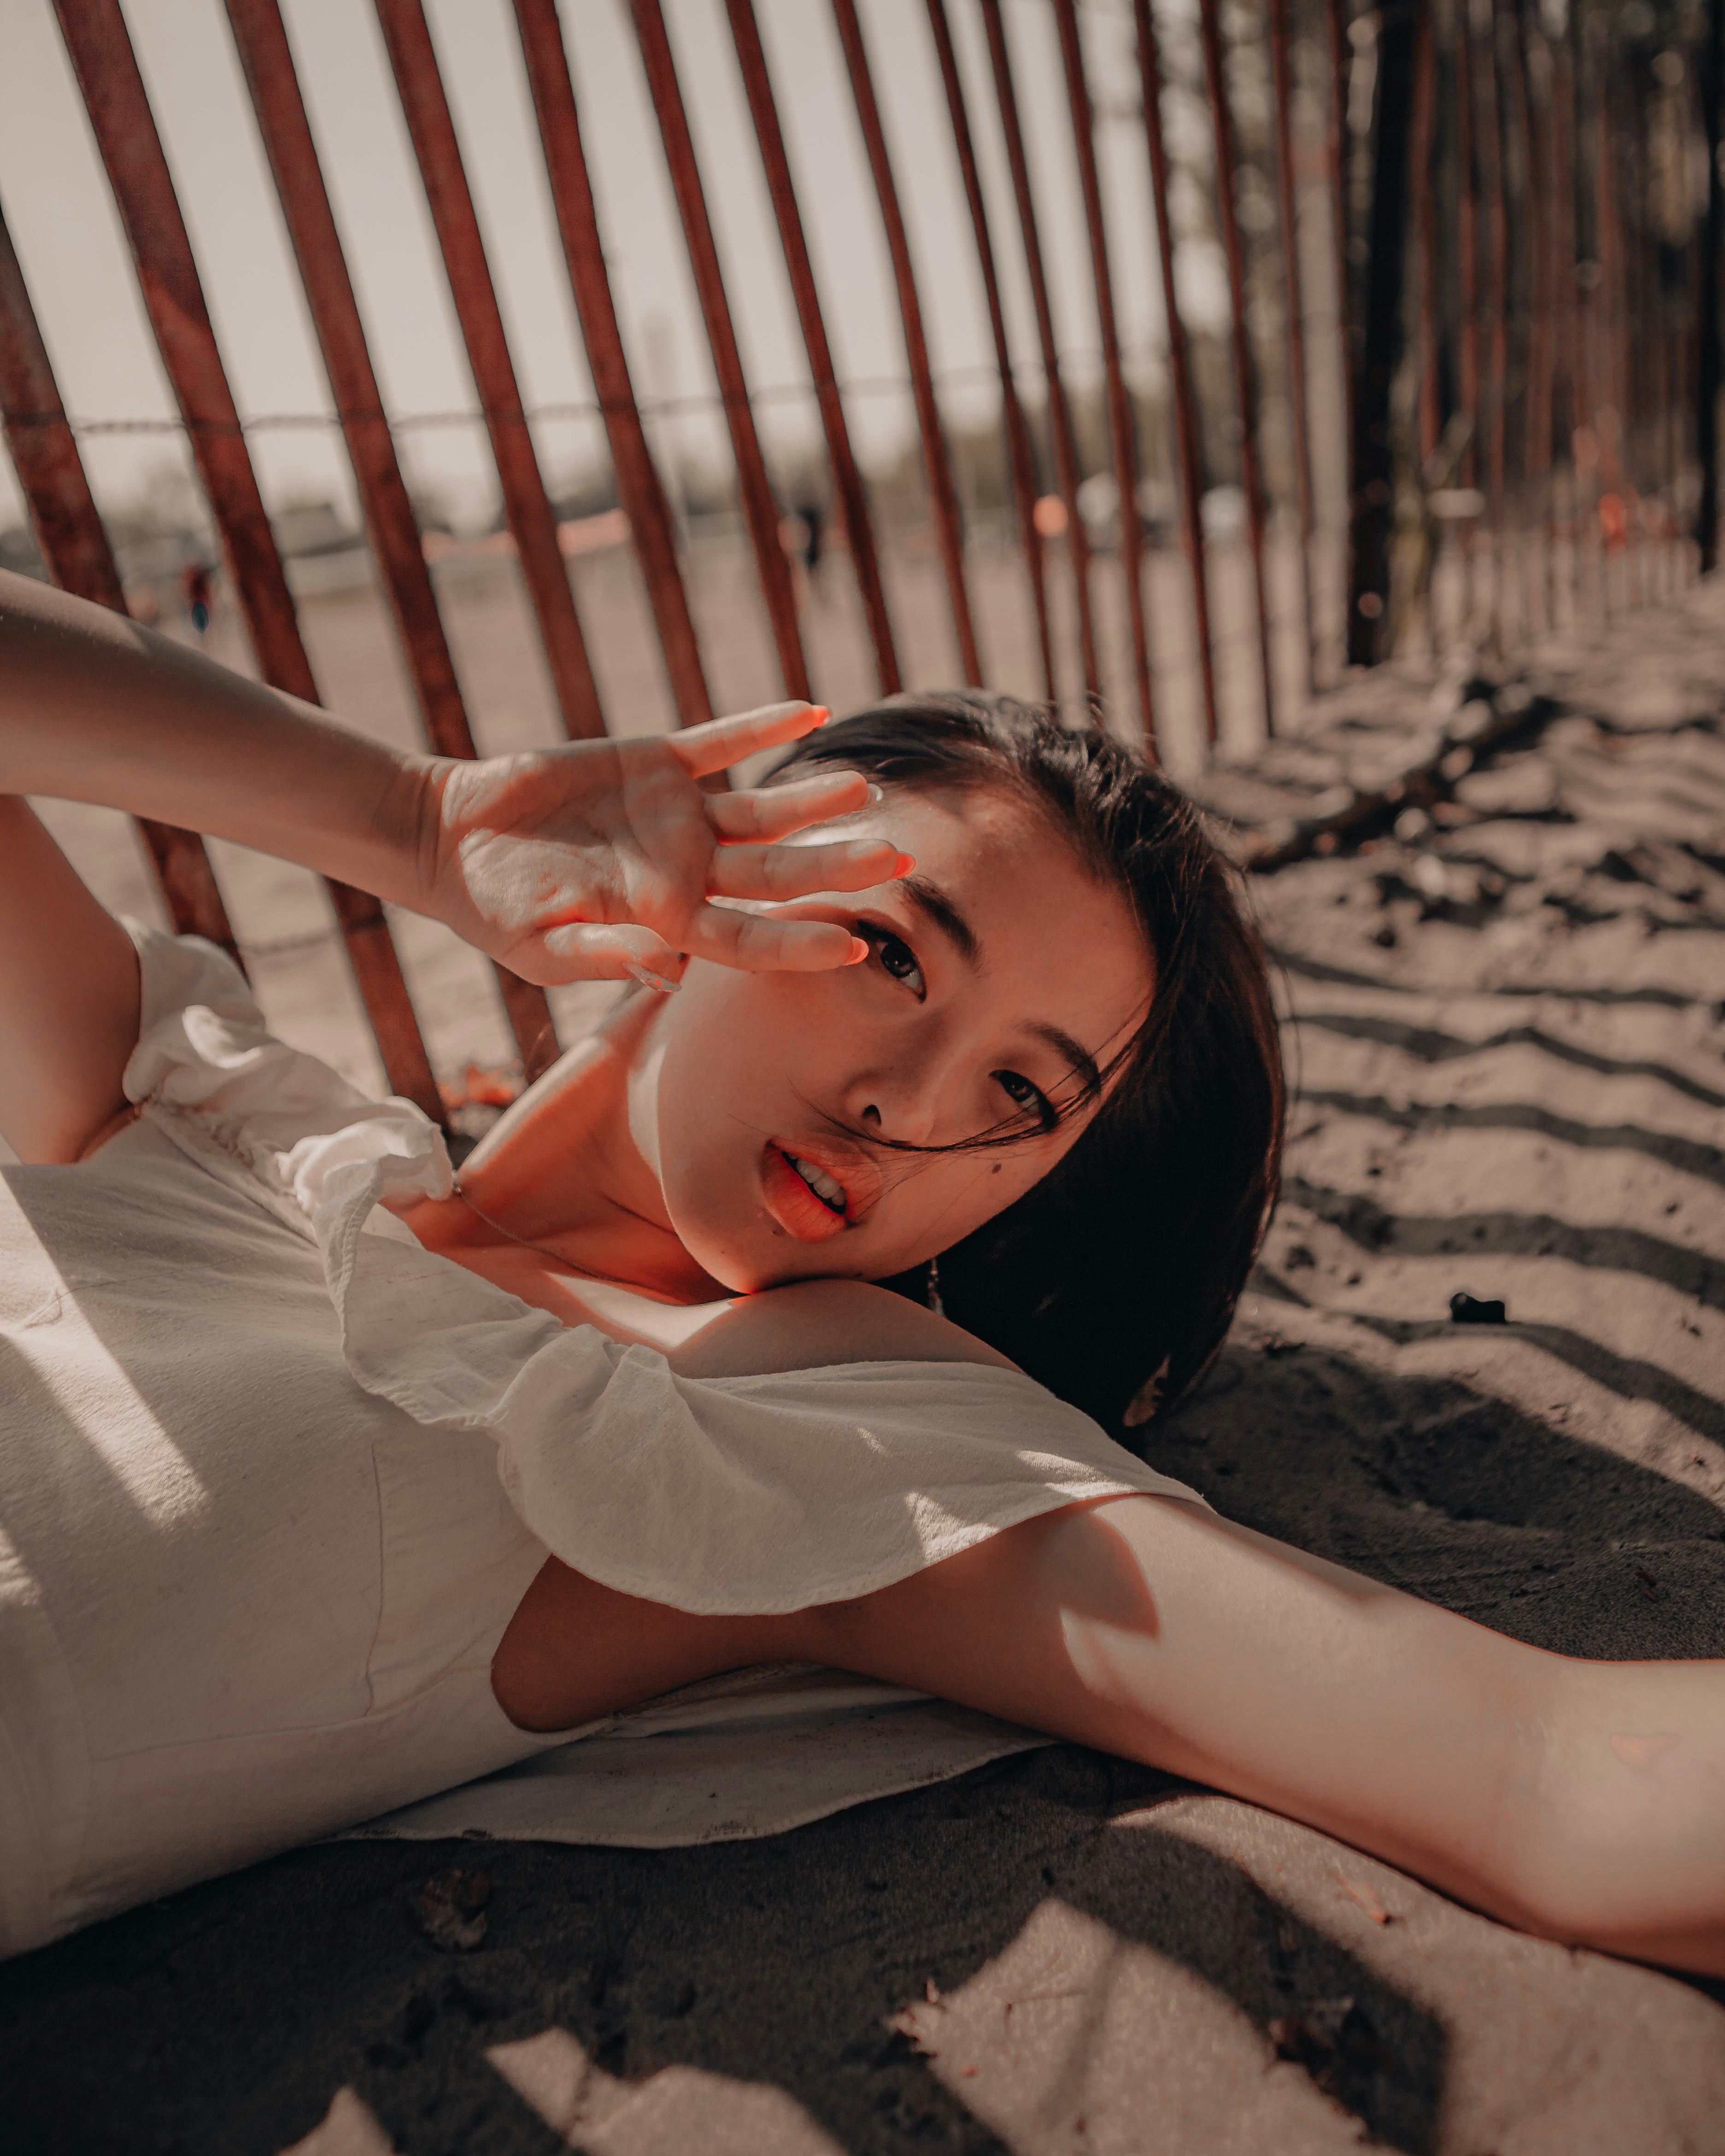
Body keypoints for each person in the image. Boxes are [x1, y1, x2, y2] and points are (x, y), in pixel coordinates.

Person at [1, 566, 1721, 1976]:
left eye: (1026, 1093)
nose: (911, 1105)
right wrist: (418, 819)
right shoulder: (179, 1102)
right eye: (889, 949)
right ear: (708, 871)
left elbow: (1540, 1771)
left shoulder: (788, 1429)